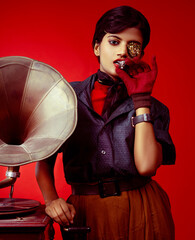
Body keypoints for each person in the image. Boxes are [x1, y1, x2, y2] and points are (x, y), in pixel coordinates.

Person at [35, 5, 176, 240]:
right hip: (85, 211)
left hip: (143, 209)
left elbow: (147, 166)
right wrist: (51, 200)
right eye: (114, 42)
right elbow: (44, 161)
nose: (122, 51)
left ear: (139, 54)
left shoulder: (155, 108)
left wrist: (141, 100)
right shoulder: (65, 97)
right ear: (97, 47)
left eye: (132, 46)